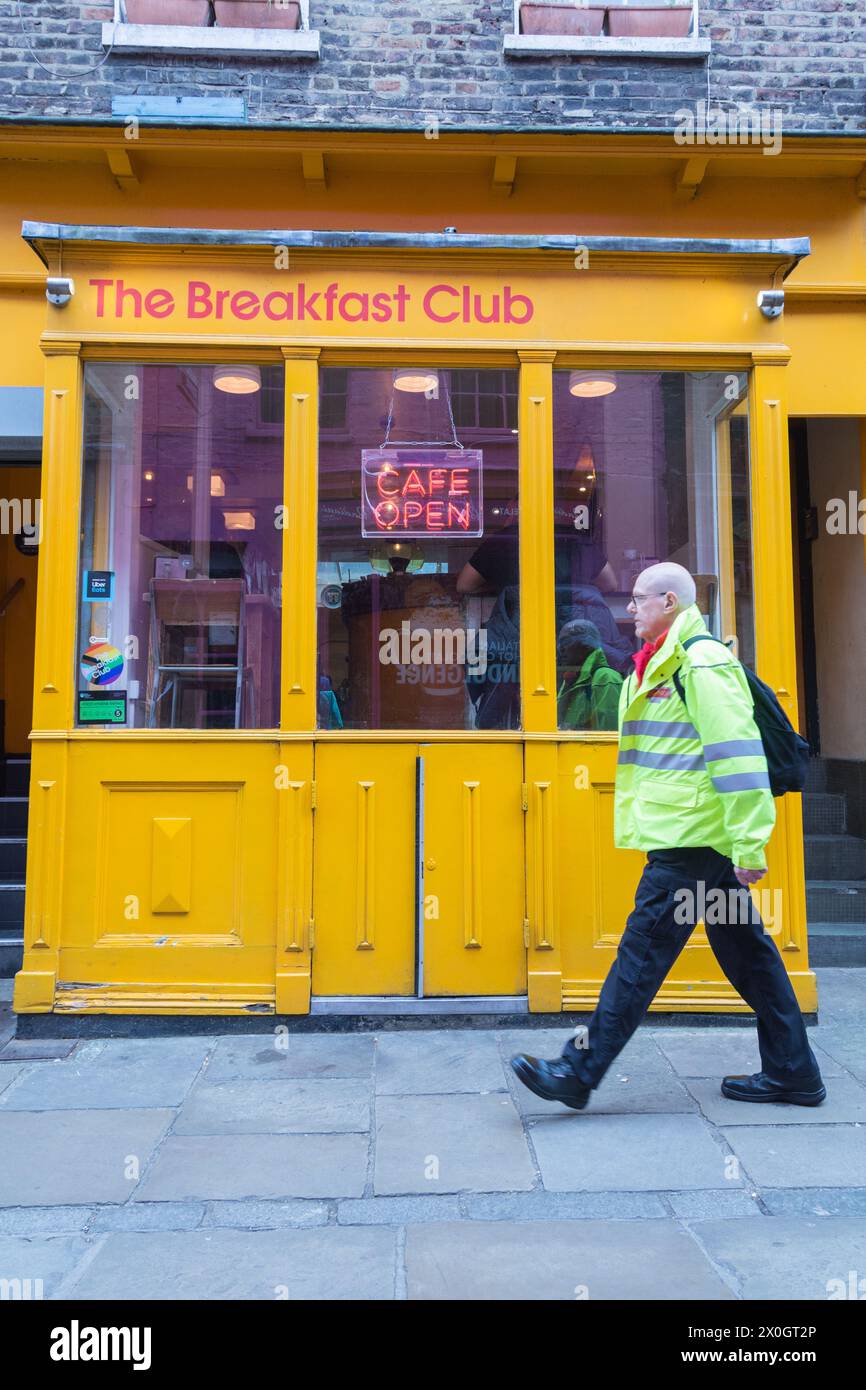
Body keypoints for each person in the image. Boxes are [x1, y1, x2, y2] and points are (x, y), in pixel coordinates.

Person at [512, 561, 826, 1110]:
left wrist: (750, 845)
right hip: (696, 837)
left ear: (670, 604)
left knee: (639, 957)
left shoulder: (701, 664)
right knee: (749, 955)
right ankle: (793, 1071)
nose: (629, 609)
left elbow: (739, 758)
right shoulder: (662, 663)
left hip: (693, 842)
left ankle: (578, 1069)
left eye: (639, 600)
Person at [557, 619, 623, 732]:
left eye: (567, 642)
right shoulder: (572, 680)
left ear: (587, 646)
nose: (561, 649)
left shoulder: (606, 679)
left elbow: (609, 738)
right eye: (560, 643)